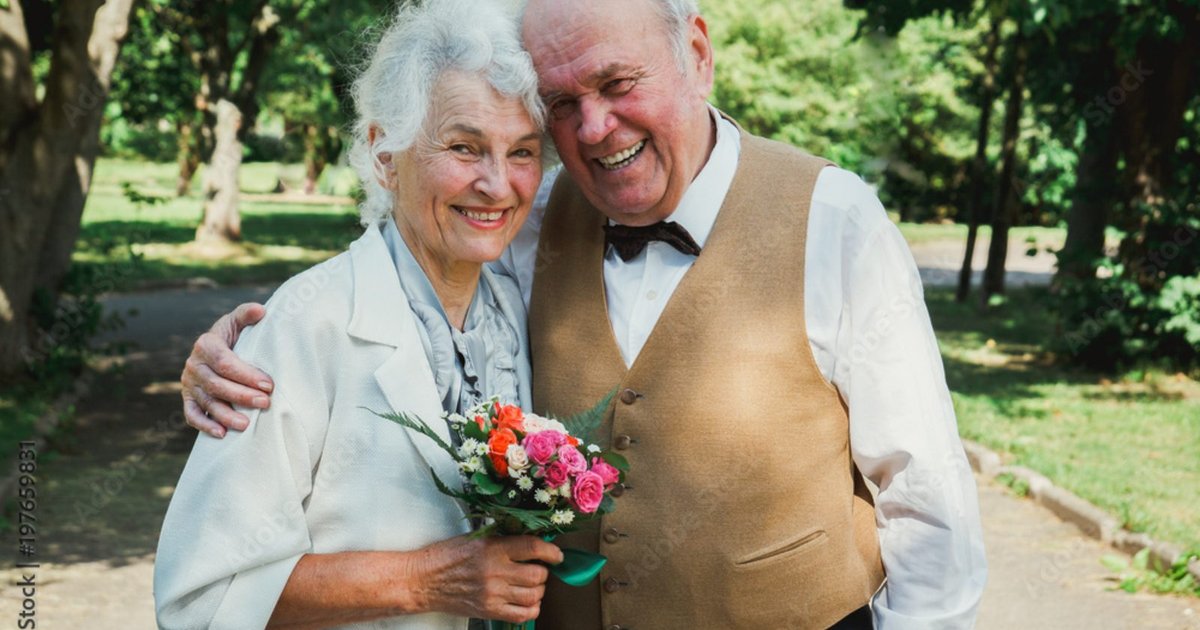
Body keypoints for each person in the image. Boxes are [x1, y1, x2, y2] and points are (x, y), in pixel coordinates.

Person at [180, 0, 988, 627]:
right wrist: (239, 348)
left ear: (697, 56)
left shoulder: (834, 218)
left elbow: (927, 496)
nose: (595, 129)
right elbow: (407, 248)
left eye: (619, 83)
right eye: (562, 102)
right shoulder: (527, 223)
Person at [153, 1, 565, 628]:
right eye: (463, 146)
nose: (498, 184)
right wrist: (423, 581)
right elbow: (199, 595)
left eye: (523, 152)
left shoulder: (518, 302)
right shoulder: (304, 325)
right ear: (382, 153)